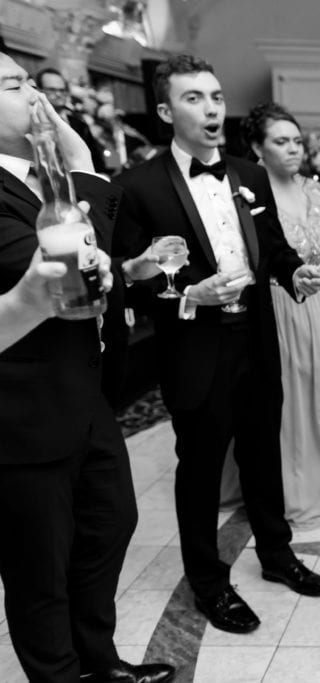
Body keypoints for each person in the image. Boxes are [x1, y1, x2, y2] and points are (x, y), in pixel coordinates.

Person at [114, 54, 320, 635]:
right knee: (201, 471)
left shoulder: (249, 174)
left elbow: (274, 247)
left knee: (264, 457)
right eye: (194, 99)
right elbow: (130, 280)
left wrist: (295, 274)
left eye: (215, 96)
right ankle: (208, 584)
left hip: (257, 339)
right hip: (195, 348)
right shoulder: (137, 187)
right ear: (165, 110)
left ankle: (277, 556)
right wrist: (189, 295)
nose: (211, 108)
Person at [0, 53, 174, 683]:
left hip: (86, 395)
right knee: (38, 571)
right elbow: (62, 262)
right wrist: (83, 164)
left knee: (109, 526)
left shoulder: (39, 179)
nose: (37, 97)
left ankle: (100, 664)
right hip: (23, 415)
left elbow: (99, 262)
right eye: (15, 85)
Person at [241, 102, 320, 530]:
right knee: (293, 400)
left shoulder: (314, 190)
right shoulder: (251, 196)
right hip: (280, 307)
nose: (294, 150)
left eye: (297, 141)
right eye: (280, 141)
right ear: (257, 147)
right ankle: (294, 489)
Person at [35, 67, 108, 173]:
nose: (59, 94)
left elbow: (95, 161)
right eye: (52, 89)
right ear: (40, 91)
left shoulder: (80, 124)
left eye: (62, 90)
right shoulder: (35, 121)